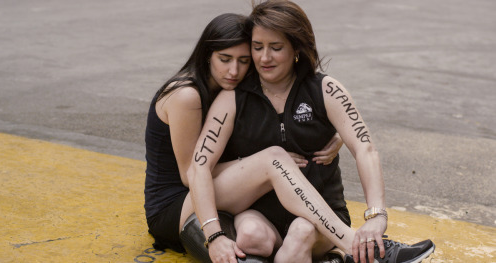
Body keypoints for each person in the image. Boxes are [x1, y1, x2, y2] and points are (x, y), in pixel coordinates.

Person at [185, 1, 435, 263]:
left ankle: (344, 248)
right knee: (249, 234)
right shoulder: (233, 99)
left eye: (276, 48)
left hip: (323, 218)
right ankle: (355, 251)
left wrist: (377, 216)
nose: (264, 57)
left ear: (296, 48)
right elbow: (200, 166)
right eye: (257, 47)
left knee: (301, 232)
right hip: (260, 214)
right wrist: (214, 235)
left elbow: (365, 148)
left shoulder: (325, 89)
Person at [144, 12, 341, 262]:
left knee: (258, 233)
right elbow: (188, 175)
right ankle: (351, 242)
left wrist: (333, 133)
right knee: (272, 161)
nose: (234, 70)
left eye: (244, 60)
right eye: (224, 59)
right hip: (176, 206)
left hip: (217, 195)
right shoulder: (186, 96)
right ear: (206, 56)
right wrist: (258, 167)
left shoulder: (232, 90)